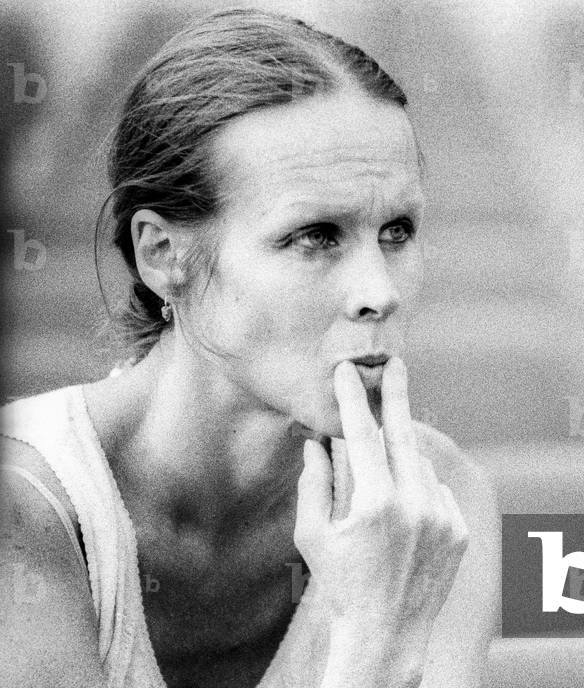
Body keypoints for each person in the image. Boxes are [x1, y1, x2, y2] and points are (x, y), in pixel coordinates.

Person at [0, 8, 500, 688]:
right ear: (163, 255)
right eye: (315, 236)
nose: (379, 292)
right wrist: (374, 640)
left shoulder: (434, 503)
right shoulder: (23, 505)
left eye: (398, 231)